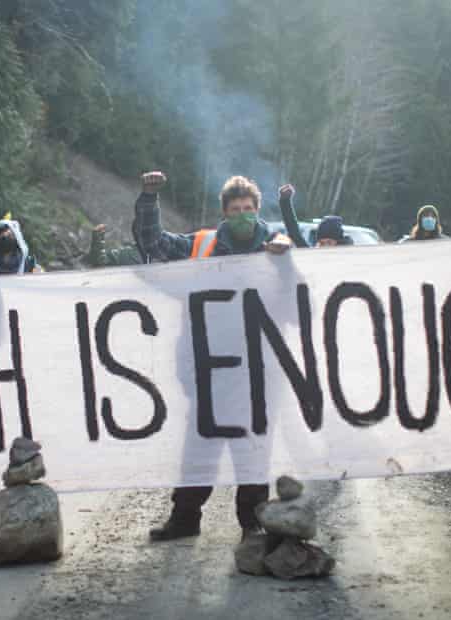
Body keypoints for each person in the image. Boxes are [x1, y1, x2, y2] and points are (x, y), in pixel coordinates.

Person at [135, 171, 290, 542]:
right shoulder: (200, 246)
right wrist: (149, 200)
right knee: (199, 445)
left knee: (253, 447)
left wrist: (285, 263)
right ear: (224, 212)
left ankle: (253, 522)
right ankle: (185, 518)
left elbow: (297, 300)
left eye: (248, 209)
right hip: (207, 367)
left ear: (258, 210)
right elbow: (152, 243)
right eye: (235, 209)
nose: (242, 215)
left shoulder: (277, 247)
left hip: (258, 368)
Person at [278, 184, 352, 247]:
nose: (325, 247)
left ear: (338, 243)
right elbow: (294, 233)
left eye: (329, 242)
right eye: (321, 243)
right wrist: (285, 201)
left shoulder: (350, 259)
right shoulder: (312, 256)